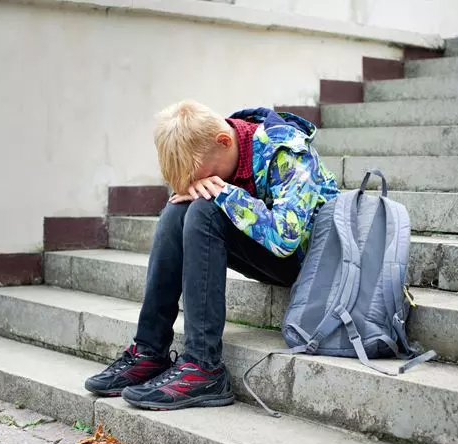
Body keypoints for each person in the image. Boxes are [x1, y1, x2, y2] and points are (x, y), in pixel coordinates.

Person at [84, 101, 339, 410]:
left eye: (203, 174)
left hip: (312, 263)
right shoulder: (217, 145)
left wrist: (223, 193)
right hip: (274, 254)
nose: (201, 182)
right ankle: (149, 351)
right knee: (178, 210)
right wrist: (195, 190)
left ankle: (204, 368)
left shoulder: (288, 152)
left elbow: (286, 238)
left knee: (205, 209)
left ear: (224, 141)